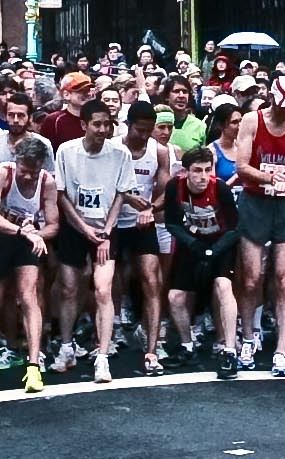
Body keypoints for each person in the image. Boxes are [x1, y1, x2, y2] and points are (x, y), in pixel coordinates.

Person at [51, 100, 143, 384]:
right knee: (68, 286)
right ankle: (66, 347)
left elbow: (120, 194)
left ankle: (102, 356)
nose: (103, 129)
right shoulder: (67, 151)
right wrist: (83, 228)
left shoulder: (120, 153)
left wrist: (105, 231)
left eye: (107, 124)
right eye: (97, 124)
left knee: (103, 289)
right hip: (75, 227)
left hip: (105, 228)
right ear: (84, 125)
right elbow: (62, 195)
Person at [234, 74, 285, 376]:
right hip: (256, 202)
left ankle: (281, 350)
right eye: (282, 106)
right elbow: (241, 166)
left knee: (284, 278)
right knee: (251, 277)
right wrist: (270, 178)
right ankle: (247, 337)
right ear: (271, 97)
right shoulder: (252, 121)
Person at [0, 134, 58, 394]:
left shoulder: (47, 182)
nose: (28, 177)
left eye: (34, 173)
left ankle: (33, 364)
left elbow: (54, 224)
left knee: (29, 297)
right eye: (25, 170)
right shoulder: (2, 172)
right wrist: (24, 232)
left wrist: (36, 234)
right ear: (16, 161)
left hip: (27, 240)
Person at [161, 146, 239, 377]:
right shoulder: (175, 187)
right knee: (175, 296)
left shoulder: (220, 189)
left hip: (220, 244)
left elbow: (235, 228)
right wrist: (195, 246)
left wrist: (213, 252)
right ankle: (187, 346)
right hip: (193, 244)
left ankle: (230, 351)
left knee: (223, 286)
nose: (203, 176)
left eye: (208, 170)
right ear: (186, 171)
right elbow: (173, 223)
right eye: (197, 170)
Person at [113, 101, 169, 375]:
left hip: (142, 222)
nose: (145, 136)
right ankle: (113, 328)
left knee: (151, 278)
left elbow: (166, 190)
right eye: (140, 130)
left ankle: (152, 345)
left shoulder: (159, 151)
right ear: (128, 125)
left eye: (149, 130)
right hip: (113, 221)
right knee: (112, 275)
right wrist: (125, 198)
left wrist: (151, 209)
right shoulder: (114, 147)